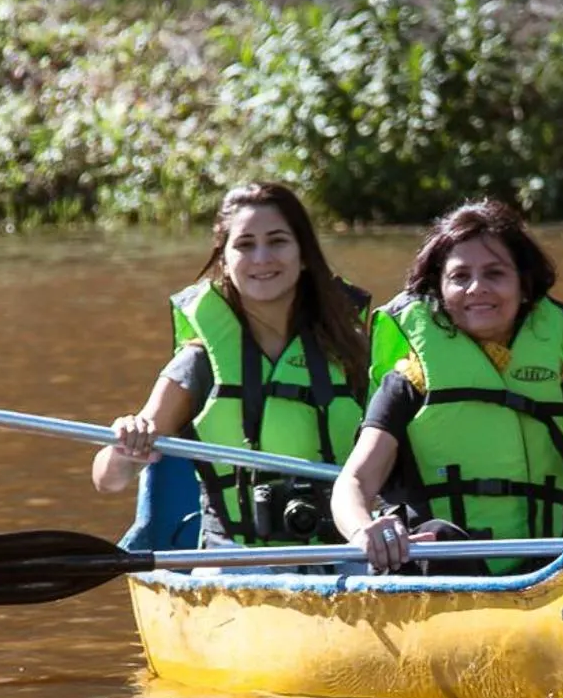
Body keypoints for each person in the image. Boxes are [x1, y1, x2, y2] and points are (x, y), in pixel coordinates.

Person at [331, 199, 563, 574]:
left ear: (525, 286)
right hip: (440, 568)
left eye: (495, 274)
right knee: (441, 535)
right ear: (438, 289)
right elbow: (353, 482)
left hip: (546, 569)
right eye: (459, 276)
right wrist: (363, 531)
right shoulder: (408, 383)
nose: (476, 288)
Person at [91, 182, 369, 547]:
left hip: (344, 552)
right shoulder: (197, 363)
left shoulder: (353, 350)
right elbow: (107, 480)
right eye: (245, 245)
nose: (261, 258)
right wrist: (125, 449)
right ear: (224, 260)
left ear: (304, 255)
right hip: (236, 562)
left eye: (278, 241)